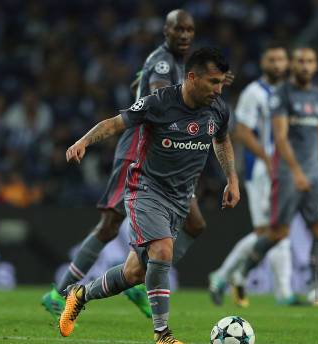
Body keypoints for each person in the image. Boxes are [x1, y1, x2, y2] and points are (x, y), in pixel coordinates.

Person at [59, 47, 239, 344]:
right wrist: (83, 141)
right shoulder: (160, 103)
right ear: (192, 77)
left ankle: (80, 294)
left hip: (182, 197)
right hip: (146, 189)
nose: (218, 89)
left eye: (222, 82)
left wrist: (232, 180)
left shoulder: (218, 109)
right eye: (213, 82)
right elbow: (115, 123)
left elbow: (221, 140)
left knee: (134, 273)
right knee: (162, 249)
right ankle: (163, 334)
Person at [41, 10, 210, 320]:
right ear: (165, 31)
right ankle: (60, 293)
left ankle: (140, 274)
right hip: (140, 150)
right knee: (108, 227)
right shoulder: (162, 63)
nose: (185, 35)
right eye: (179, 29)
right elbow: (161, 96)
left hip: (167, 156)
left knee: (195, 223)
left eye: (190, 30)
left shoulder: (180, 65)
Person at [234, 47, 318, 308]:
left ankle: (316, 290)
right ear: (293, 65)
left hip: (314, 171)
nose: (305, 66)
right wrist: (296, 171)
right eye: (301, 61)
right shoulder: (281, 95)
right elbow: (280, 138)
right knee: (279, 233)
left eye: (310, 61)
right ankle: (241, 273)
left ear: (316, 66)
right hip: (288, 171)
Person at [208, 44, 299, 306]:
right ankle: (280, 292)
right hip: (262, 169)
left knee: (275, 230)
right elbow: (243, 132)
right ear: (263, 63)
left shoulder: (288, 93)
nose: (278, 64)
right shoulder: (254, 93)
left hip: (283, 168)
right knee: (268, 231)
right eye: (273, 59)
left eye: (282, 59)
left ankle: (226, 277)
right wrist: (268, 159)